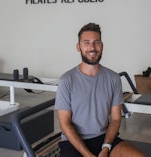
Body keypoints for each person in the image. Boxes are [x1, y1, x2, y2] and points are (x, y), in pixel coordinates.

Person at [55, 23, 145, 157]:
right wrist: (87, 155)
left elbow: (115, 120)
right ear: (78, 47)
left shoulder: (113, 79)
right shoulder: (66, 80)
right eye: (86, 43)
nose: (92, 47)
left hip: (104, 139)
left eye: (96, 42)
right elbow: (65, 124)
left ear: (102, 46)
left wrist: (106, 147)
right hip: (74, 142)